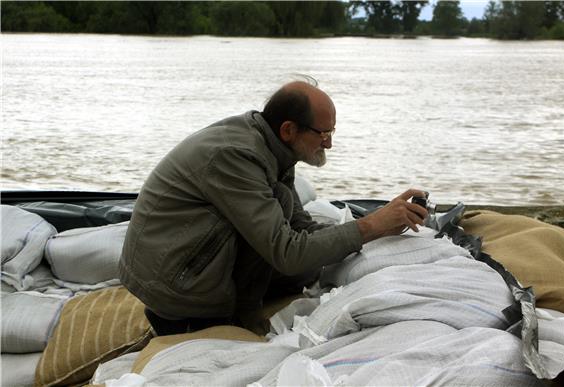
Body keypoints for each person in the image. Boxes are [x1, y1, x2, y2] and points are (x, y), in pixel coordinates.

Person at [119, 79, 428, 336]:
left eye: (331, 133)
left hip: (194, 262)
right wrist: (370, 226)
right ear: (289, 130)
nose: (329, 144)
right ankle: (231, 319)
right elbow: (288, 251)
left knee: (309, 267)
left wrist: (379, 226)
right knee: (298, 262)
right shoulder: (237, 156)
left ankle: (242, 308)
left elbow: (300, 228)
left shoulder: (275, 150)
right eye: (323, 134)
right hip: (177, 285)